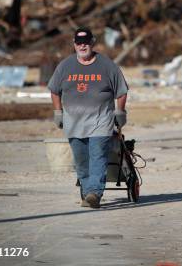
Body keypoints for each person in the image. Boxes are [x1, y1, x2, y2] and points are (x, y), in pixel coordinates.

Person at [48, 27, 129, 208]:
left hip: (101, 121)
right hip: (74, 123)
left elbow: (122, 91)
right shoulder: (65, 66)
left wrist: (120, 112)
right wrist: (58, 112)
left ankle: (94, 193)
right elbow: (54, 90)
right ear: (74, 44)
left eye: (86, 42)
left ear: (92, 42)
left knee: (98, 156)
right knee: (81, 161)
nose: (82, 46)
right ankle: (87, 191)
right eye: (79, 42)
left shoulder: (108, 66)